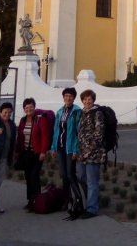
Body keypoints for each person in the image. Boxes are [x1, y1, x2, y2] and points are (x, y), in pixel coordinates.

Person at [50, 87, 84, 215]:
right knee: (64, 175)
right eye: (66, 96)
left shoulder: (77, 112)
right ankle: (67, 200)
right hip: (60, 147)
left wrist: (76, 150)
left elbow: (78, 133)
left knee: (70, 174)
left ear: (74, 98)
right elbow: (56, 131)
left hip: (70, 149)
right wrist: (53, 147)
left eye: (70, 96)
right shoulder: (60, 112)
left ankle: (78, 200)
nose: (68, 98)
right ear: (63, 97)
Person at [15, 97, 51, 211]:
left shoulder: (40, 120)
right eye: (26, 107)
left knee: (34, 176)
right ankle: (30, 201)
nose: (29, 109)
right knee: (28, 177)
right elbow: (20, 137)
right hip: (26, 153)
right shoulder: (23, 120)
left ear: (34, 107)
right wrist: (18, 151)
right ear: (24, 109)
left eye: (31, 107)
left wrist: (43, 152)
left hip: (37, 154)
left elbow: (45, 137)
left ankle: (37, 201)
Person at [76, 89, 105, 219]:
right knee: (82, 178)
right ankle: (91, 201)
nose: (87, 101)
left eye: (90, 99)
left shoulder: (97, 113)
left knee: (92, 181)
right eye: (85, 99)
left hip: (93, 154)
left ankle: (92, 209)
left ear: (93, 100)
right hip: (82, 154)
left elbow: (99, 134)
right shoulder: (82, 113)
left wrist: (89, 150)